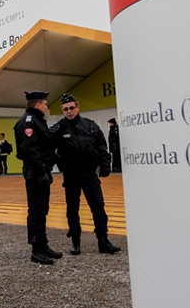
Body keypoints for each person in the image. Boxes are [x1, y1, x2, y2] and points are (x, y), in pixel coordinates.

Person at [50, 94, 121, 255]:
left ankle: (103, 241)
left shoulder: (90, 126)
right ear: (63, 110)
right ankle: (76, 242)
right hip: (71, 175)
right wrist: (58, 162)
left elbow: (102, 147)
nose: (69, 111)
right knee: (72, 210)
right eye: (66, 109)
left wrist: (105, 166)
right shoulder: (59, 128)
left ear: (78, 107)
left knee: (98, 207)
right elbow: (47, 146)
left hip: (89, 174)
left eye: (72, 108)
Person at [14, 90, 62, 265]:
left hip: (42, 171)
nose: (47, 106)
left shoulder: (36, 120)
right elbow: (30, 150)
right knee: (36, 211)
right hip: (36, 173)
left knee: (43, 210)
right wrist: (41, 172)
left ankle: (43, 244)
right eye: (45, 103)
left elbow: (44, 147)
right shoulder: (28, 122)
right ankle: (36, 250)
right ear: (38, 105)